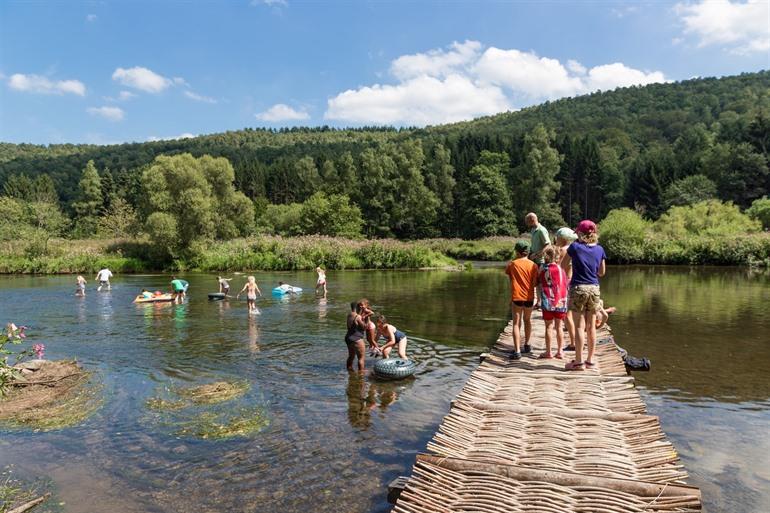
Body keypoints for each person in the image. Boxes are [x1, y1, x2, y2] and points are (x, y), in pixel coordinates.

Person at [561, 220, 607, 371]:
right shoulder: (600, 249)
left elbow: (562, 265)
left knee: (579, 327)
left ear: (580, 234)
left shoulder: (574, 247)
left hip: (578, 288)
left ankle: (579, 362)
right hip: (594, 288)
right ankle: (590, 360)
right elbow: (601, 272)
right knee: (591, 326)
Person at [504, 240, 540, 359]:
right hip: (529, 297)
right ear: (528, 252)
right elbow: (535, 283)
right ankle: (527, 345)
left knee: (516, 323)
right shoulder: (534, 265)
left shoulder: (512, 264)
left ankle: (517, 351)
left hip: (517, 296)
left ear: (517, 252)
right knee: (527, 320)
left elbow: (511, 280)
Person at [538, 245, 569, 359]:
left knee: (548, 327)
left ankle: (548, 352)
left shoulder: (544, 269)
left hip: (548, 302)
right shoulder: (562, 270)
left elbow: (539, 281)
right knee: (559, 326)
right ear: (557, 256)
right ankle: (560, 351)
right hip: (561, 301)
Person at [555, 227, 578, 352]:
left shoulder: (564, 250)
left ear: (562, 238)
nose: (556, 239)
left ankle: (573, 342)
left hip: (565, 282)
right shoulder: (574, 249)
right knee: (569, 314)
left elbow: (558, 268)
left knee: (567, 314)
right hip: (571, 280)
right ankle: (573, 341)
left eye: (557, 237)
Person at [525, 213, 551, 308]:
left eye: (527, 221)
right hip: (534, 259)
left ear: (532, 220)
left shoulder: (541, 230)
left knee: (541, 282)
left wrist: (536, 255)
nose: (526, 223)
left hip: (541, 260)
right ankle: (539, 302)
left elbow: (548, 245)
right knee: (536, 282)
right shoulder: (533, 230)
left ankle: (544, 303)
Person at [345, 300, 372, 372]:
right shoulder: (357, 317)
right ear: (357, 307)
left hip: (348, 338)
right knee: (361, 358)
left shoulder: (349, 315)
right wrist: (368, 319)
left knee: (351, 356)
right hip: (357, 339)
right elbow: (365, 327)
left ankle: (349, 371)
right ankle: (361, 375)